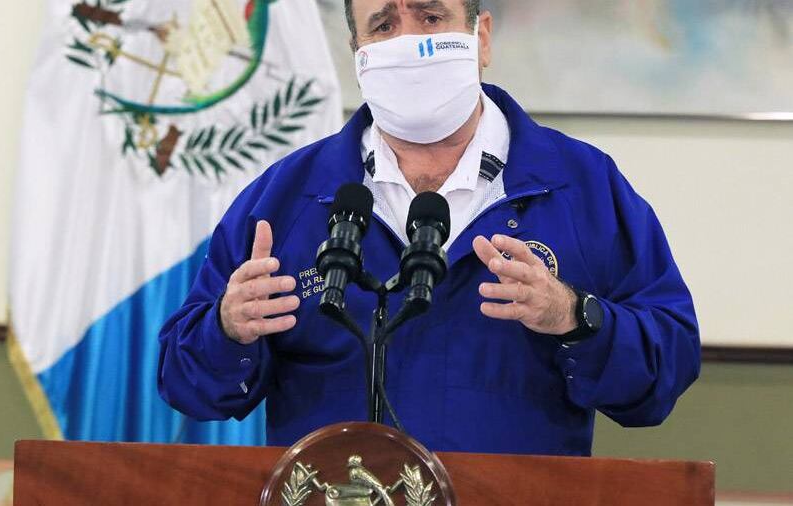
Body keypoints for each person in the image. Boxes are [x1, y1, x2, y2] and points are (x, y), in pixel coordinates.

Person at [157, 0, 700, 455]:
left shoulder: (580, 186)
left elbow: (664, 372)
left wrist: (575, 317)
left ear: (480, 38)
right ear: (357, 52)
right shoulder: (286, 197)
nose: (408, 42)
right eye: (383, 25)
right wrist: (227, 328)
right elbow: (187, 384)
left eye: (431, 17)